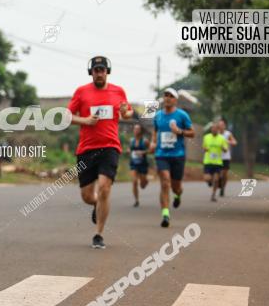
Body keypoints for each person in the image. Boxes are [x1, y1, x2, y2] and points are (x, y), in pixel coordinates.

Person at [67, 55, 133, 249]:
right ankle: (97, 205)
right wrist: (85, 121)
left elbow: (128, 113)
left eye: (102, 70)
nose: (99, 73)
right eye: (96, 70)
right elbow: (66, 115)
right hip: (86, 149)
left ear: (107, 72)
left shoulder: (118, 91)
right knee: (87, 196)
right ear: (91, 72)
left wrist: (124, 112)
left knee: (104, 187)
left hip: (110, 146)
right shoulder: (81, 92)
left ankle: (99, 234)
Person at [149, 88, 195, 228]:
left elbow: (192, 133)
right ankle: (165, 214)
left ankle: (178, 195)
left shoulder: (182, 115)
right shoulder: (157, 116)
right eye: (166, 95)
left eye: (171, 96)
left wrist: (179, 131)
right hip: (161, 155)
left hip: (178, 155)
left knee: (176, 187)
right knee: (165, 182)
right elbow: (155, 132)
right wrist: (153, 142)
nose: (168, 98)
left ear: (175, 100)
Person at [202, 121, 228, 202]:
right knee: (207, 178)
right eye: (212, 128)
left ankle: (213, 195)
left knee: (216, 179)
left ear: (218, 130)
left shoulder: (222, 138)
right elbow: (204, 147)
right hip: (208, 161)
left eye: (216, 129)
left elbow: (226, 149)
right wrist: (205, 149)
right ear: (211, 129)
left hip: (217, 162)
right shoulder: (206, 137)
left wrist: (223, 148)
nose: (214, 130)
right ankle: (210, 182)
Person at [129, 123, 150, 207]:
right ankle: (136, 200)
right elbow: (130, 149)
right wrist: (129, 151)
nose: (135, 131)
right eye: (134, 129)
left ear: (141, 131)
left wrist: (143, 152)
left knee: (142, 185)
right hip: (133, 163)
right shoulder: (131, 140)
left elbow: (150, 150)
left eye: (137, 129)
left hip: (143, 164)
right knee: (134, 181)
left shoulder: (145, 141)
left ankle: (145, 181)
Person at [217, 118, 237, 196]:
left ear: (225, 126)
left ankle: (222, 188)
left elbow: (235, 142)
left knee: (224, 174)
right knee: (218, 174)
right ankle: (218, 183)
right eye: (219, 124)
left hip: (226, 157)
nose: (220, 126)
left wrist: (228, 141)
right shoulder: (216, 134)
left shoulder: (228, 134)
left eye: (222, 125)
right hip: (217, 157)